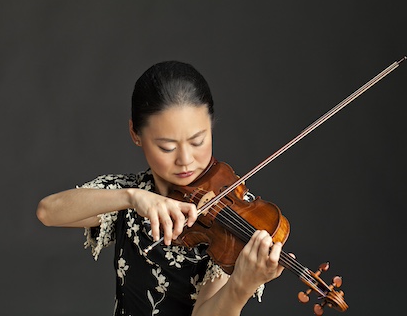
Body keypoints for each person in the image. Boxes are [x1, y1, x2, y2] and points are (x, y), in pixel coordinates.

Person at [36, 61, 285, 316]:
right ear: (135, 133)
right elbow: (48, 211)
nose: (186, 160)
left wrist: (241, 286)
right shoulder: (128, 196)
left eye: (198, 141)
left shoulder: (232, 219)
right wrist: (132, 197)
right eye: (167, 147)